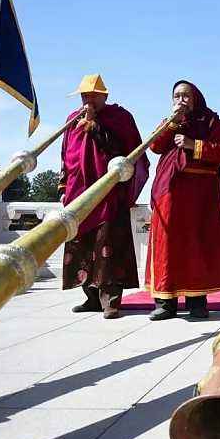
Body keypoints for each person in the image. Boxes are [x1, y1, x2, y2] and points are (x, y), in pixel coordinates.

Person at [59, 74, 148, 319]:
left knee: (108, 245)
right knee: (82, 246)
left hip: (108, 193)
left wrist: (95, 127)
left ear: (104, 96)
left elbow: (126, 153)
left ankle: (110, 300)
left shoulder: (119, 118)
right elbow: (65, 155)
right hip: (78, 193)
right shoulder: (72, 119)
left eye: (93, 96)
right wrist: (63, 186)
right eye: (84, 95)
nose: (87, 100)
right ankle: (91, 298)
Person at [145, 80, 220, 320]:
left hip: (200, 194)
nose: (181, 100)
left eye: (186, 96)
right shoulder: (169, 122)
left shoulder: (211, 122)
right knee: (167, 244)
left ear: (195, 99)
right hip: (169, 192)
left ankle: (197, 302)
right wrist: (172, 123)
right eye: (176, 96)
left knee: (196, 245)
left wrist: (194, 145)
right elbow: (155, 145)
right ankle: (165, 302)